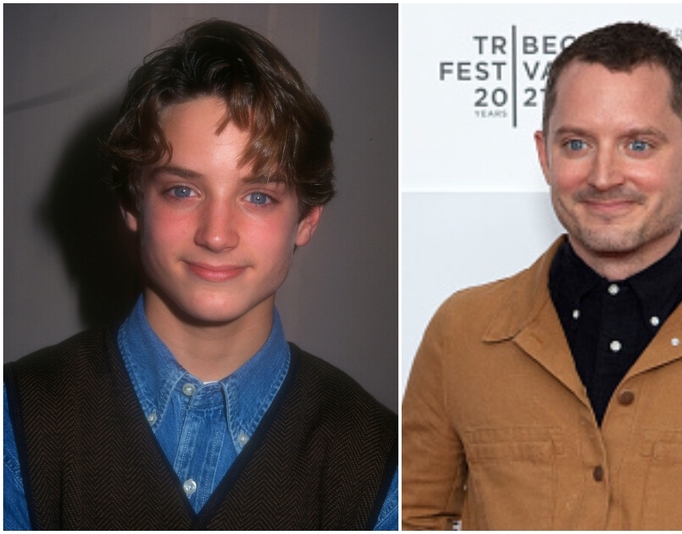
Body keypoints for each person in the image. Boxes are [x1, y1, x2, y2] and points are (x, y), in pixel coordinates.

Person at [4, 19, 397, 530]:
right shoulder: (17, 422)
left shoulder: (382, 462)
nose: (216, 235)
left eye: (258, 197)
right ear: (132, 203)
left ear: (305, 220)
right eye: (182, 191)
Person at [402, 21, 682, 530]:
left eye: (638, 145)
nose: (604, 176)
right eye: (577, 144)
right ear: (544, 156)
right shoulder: (461, 332)